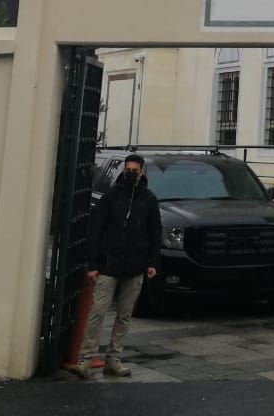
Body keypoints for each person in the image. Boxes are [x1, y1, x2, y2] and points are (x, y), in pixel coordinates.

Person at [68, 154, 161, 379]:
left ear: (142, 173)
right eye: (127, 170)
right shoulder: (110, 198)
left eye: (134, 171)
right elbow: (95, 231)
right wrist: (93, 264)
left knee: (124, 316)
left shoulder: (148, 200)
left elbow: (155, 232)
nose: (130, 174)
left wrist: (152, 262)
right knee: (97, 313)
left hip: (135, 266)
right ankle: (85, 359)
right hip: (109, 264)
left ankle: (114, 359)